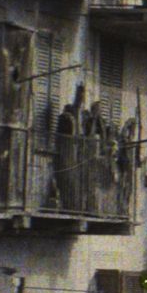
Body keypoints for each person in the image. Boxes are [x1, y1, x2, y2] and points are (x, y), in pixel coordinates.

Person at [51, 83, 85, 211]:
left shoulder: (73, 116)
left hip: (71, 153)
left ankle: (70, 205)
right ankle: (68, 205)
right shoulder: (67, 118)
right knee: (68, 180)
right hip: (67, 153)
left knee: (71, 180)